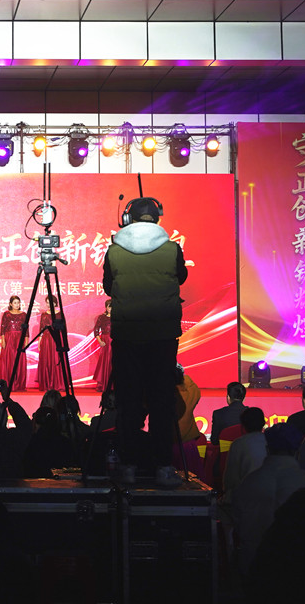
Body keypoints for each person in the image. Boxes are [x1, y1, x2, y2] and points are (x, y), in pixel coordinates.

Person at [102, 195, 188, 487]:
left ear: (128, 219)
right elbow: (181, 277)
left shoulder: (114, 251)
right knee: (161, 401)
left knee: (128, 402)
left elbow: (108, 286)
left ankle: (127, 466)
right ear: (157, 217)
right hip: (162, 337)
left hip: (127, 336)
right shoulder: (172, 249)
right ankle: (163, 467)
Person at [221, 422, 305, 574]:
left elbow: (237, 522)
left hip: (254, 565)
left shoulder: (248, 484)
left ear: (267, 449)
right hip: (299, 569)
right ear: (297, 450)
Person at [221, 406, 267, 493]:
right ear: (263, 423)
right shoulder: (271, 441)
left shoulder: (238, 444)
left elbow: (230, 477)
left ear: (243, 425)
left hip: (245, 493)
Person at [0, 296, 28, 392]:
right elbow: (3, 328)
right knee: (8, 361)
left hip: (19, 339)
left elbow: (26, 330)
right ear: (10, 304)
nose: (17, 305)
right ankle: (7, 384)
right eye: (15, 303)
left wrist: (26, 341)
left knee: (19, 361)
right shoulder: (6, 314)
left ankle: (18, 384)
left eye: (18, 302)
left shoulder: (23, 315)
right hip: (9, 339)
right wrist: (3, 340)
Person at [36, 296, 64, 392]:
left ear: (55, 303)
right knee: (46, 359)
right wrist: (40, 340)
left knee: (56, 359)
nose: (48, 304)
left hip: (56, 338)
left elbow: (63, 329)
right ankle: (47, 383)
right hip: (46, 339)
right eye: (47, 302)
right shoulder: (44, 315)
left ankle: (57, 383)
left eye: (50, 302)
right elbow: (41, 329)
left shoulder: (60, 314)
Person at [91, 299, 113, 391]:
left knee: (113, 362)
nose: (111, 309)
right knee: (104, 362)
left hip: (115, 341)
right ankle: (103, 384)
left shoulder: (117, 317)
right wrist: (100, 341)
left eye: (112, 307)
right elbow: (96, 330)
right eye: (109, 307)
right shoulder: (102, 317)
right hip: (105, 341)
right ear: (106, 307)